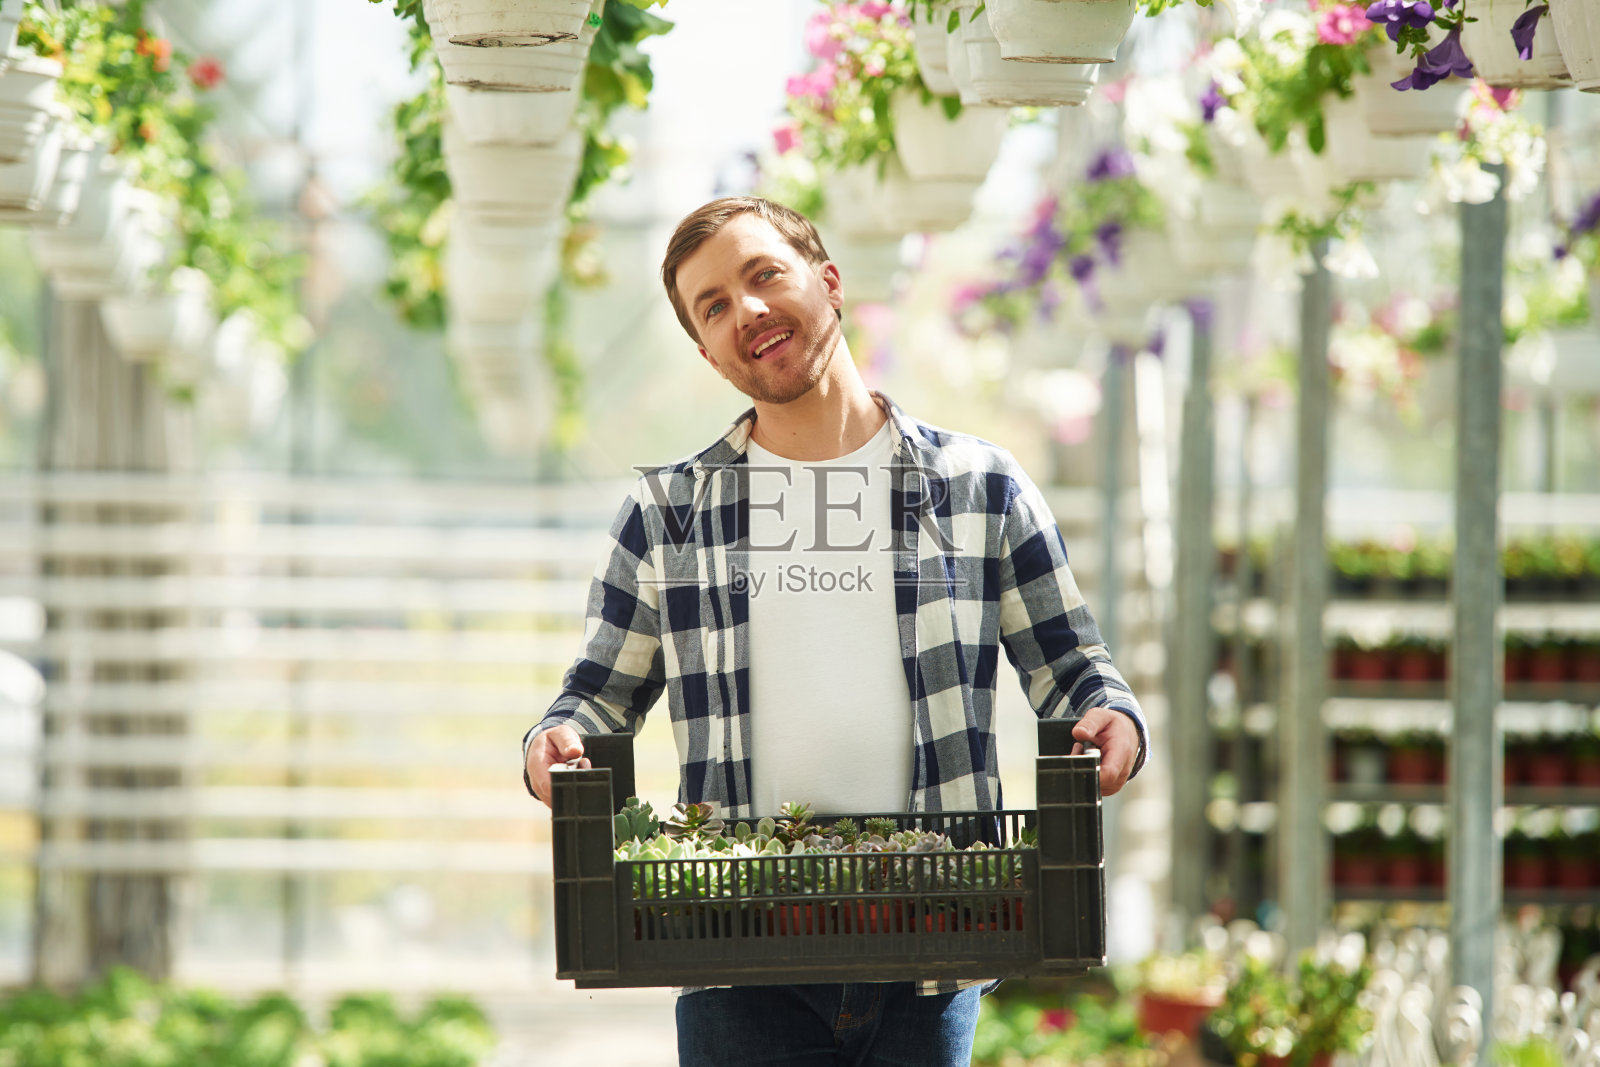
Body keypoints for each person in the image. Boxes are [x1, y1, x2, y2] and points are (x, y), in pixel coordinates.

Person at [522, 196, 1149, 1067]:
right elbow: (596, 698)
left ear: (829, 281)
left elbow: (1074, 667)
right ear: (707, 352)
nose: (745, 310)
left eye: (762, 274)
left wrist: (1113, 715)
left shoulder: (979, 488)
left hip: (931, 941)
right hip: (736, 952)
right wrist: (552, 741)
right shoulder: (670, 513)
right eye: (713, 306)